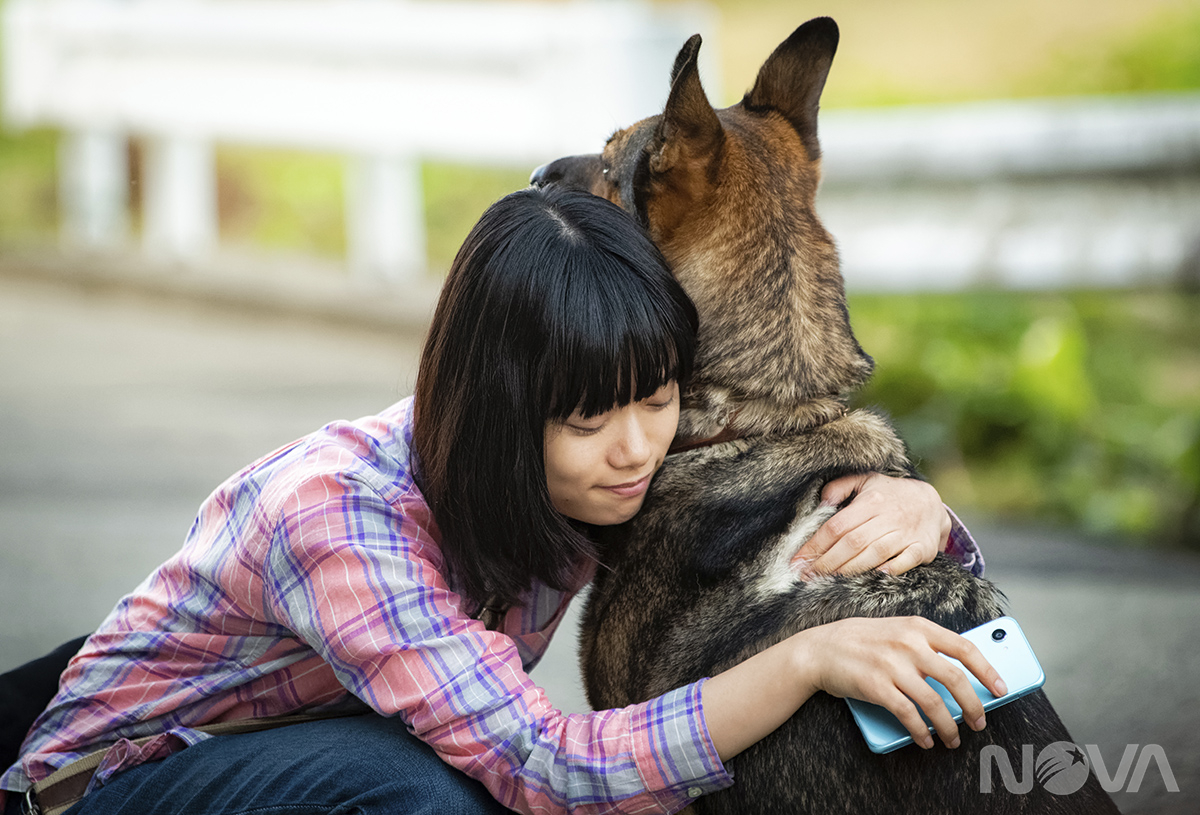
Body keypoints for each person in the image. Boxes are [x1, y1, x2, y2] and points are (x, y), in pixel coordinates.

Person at [1, 186, 1000, 815]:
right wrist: (809, 656)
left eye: (658, 399)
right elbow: (545, 765)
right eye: (590, 418)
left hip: (344, 742)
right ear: (500, 411)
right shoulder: (336, 518)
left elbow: (762, 504)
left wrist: (916, 511)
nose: (639, 447)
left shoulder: (596, 457)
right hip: (124, 785)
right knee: (423, 795)